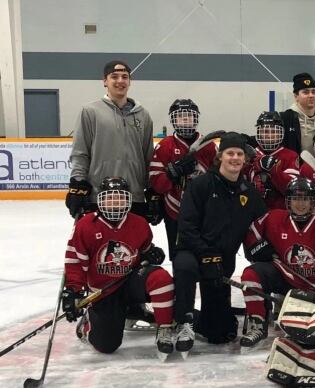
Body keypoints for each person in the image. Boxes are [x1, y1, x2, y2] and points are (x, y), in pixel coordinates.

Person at [172, 132, 267, 352]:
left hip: (222, 262)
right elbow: (186, 226)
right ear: (220, 156)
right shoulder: (201, 185)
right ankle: (183, 320)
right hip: (193, 253)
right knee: (185, 268)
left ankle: (203, 320)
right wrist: (205, 254)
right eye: (230, 153)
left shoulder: (249, 193)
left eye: (239, 154)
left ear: (245, 159)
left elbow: (265, 223)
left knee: (220, 334)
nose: (235, 158)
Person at [62, 176, 173, 357]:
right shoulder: (85, 225)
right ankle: (90, 322)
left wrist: (152, 252)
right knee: (107, 345)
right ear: (101, 199)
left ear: (128, 200)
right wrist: (73, 291)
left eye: (120, 197)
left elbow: (143, 249)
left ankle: (165, 329)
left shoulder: (139, 223)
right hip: (104, 291)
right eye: (110, 197)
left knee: (161, 278)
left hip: (129, 281)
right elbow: (75, 261)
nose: (115, 202)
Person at [239, 177, 315, 350]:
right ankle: (257, 324)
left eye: (306, 199)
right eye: (296, 199)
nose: (301, 204)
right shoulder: (274, 218)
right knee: (251, 275)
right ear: (288, 201)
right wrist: (257, 248)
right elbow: (251, 233)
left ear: (313, 202)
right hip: (285, 278)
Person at [67, 60, 156, 222]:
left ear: (130, 81)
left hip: (134, 197)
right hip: (99, 197)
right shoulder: (90, 112)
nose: (120, 81)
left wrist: (152, 191)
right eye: (114, 77)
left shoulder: (143, 115)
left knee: (133, 246)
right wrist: (77, 186)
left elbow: (148, 157)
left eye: (125, 77)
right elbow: (80, 153)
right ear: (105, 81)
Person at [148, 99, 218, 256]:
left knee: (207, 255)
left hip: (205, 213)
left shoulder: (208, 145)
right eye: (180, 116)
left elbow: (220, 179)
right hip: (174, 213)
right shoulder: (165, 146)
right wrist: (172, 173)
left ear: (196, 118)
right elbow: (156, 183)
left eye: (189, 115)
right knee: (180, 258)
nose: (185, 119)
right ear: (173, 119)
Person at [249, 111, 300, 210]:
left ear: (281, 133)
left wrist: (273, 170)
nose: (269, 135)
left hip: (279, 212)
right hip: (253, 210)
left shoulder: (290, 155)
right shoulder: (251, 154)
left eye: (273, 132)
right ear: (259, 133)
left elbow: (293, 189)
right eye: (265, 132)